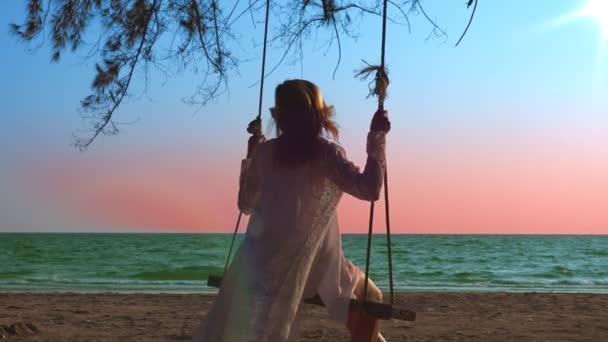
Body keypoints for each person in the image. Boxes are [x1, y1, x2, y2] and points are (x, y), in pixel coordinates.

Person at [193, 79, 391, 342]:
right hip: (313, 270)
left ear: (281, 117)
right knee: (372, 298)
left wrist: (252, 155)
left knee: (360, 305)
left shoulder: (266, 153)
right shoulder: (325, 153)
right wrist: (377, 138)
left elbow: (246, 205)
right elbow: (370, 189)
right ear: (318, 115)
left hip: (258, 267)